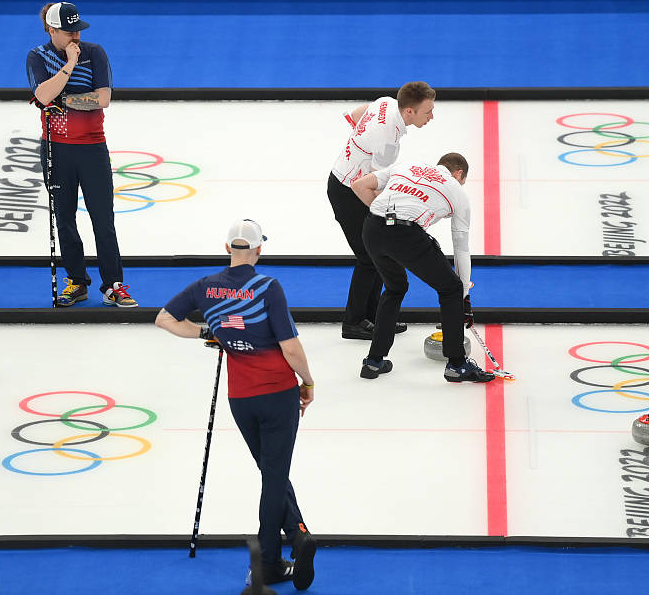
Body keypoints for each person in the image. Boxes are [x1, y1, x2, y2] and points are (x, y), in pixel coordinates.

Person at [155, 219, 317, 590]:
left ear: (227, 248)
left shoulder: (205, 287)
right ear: (259, 250)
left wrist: (206, 331)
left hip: (241, 397)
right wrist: (307, 382)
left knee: (269, 470)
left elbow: (164, 319)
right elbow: (291, 347)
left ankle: (299, 532)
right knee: (274, 476)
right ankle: (269, 562)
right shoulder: (267, 287)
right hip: (277, 393)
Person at [26, 1, 136, 307]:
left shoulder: (96, 52)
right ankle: (77, 282)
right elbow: (43, 95)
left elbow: (103, 99)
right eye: (67, 30)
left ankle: (113, 284)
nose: (75, 35)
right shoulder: (37, 56)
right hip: (56, 150)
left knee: (103, 219)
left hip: (92, 148)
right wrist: (69, 66)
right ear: (50, 30)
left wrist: (63, 100)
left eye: (77, 29)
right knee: (64, 219)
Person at [350, 153, 494, 384]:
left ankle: (374, 360)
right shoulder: (456, 191)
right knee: (450, 289)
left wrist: (385, 219)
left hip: (372, 227)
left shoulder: (409, 165)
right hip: (405, 234)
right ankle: (457, 365)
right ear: (458, 174)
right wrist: (464, 293)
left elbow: (358, 185)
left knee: (395, 288)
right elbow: (461, 248)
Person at [327, 81, 436, 340]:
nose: (432, 117)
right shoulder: (388, 142)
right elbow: (369, 184)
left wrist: (358, 147)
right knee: (369, 257)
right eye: (427, 112)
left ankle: (374, 318)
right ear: (409, 111)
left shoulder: (386, 102)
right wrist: (389, 214)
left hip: (342, 177)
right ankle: (353, 323)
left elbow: (355, 116)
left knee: (377, 253)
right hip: (348, 192)